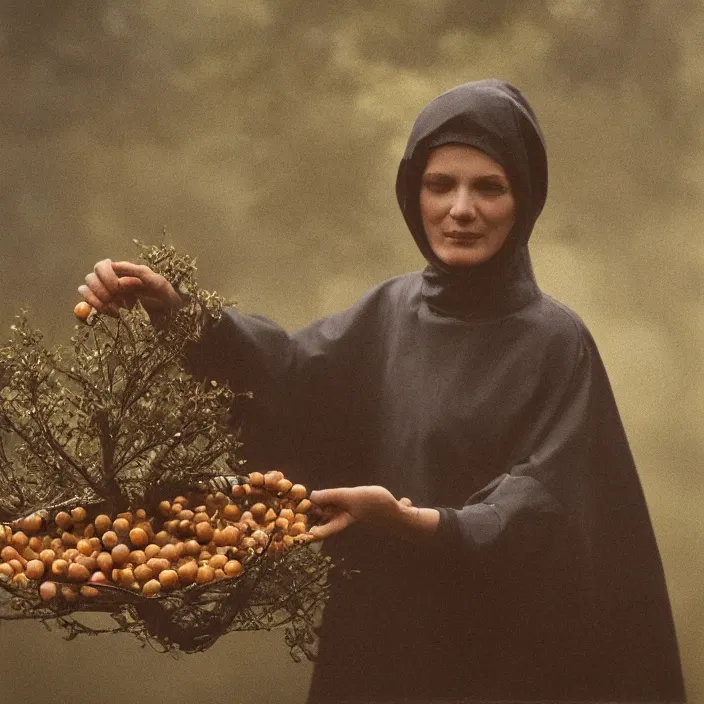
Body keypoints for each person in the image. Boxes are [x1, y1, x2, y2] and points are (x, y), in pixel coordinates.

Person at [78, 80, 685, 703]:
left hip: (506, 661)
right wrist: (173, 308)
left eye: (489, 187)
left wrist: (414, 523)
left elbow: (546, 508)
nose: (461, 209)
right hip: (381, 646)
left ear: (524, 199)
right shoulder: (390, 312)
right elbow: (284, 376)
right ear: (412, 194)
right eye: (440, 184)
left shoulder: (557, 343)